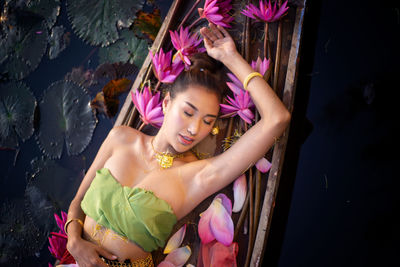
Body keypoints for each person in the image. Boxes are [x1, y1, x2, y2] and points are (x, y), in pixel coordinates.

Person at [64, 23, 291, 267]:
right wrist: (73, 241)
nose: (195, 129)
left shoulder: (198, 176)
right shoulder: (121, 137)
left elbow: (278, 118)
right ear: (166, 103)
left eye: (207, 121)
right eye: (188, 112)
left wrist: (230, 57)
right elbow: (78, 200)